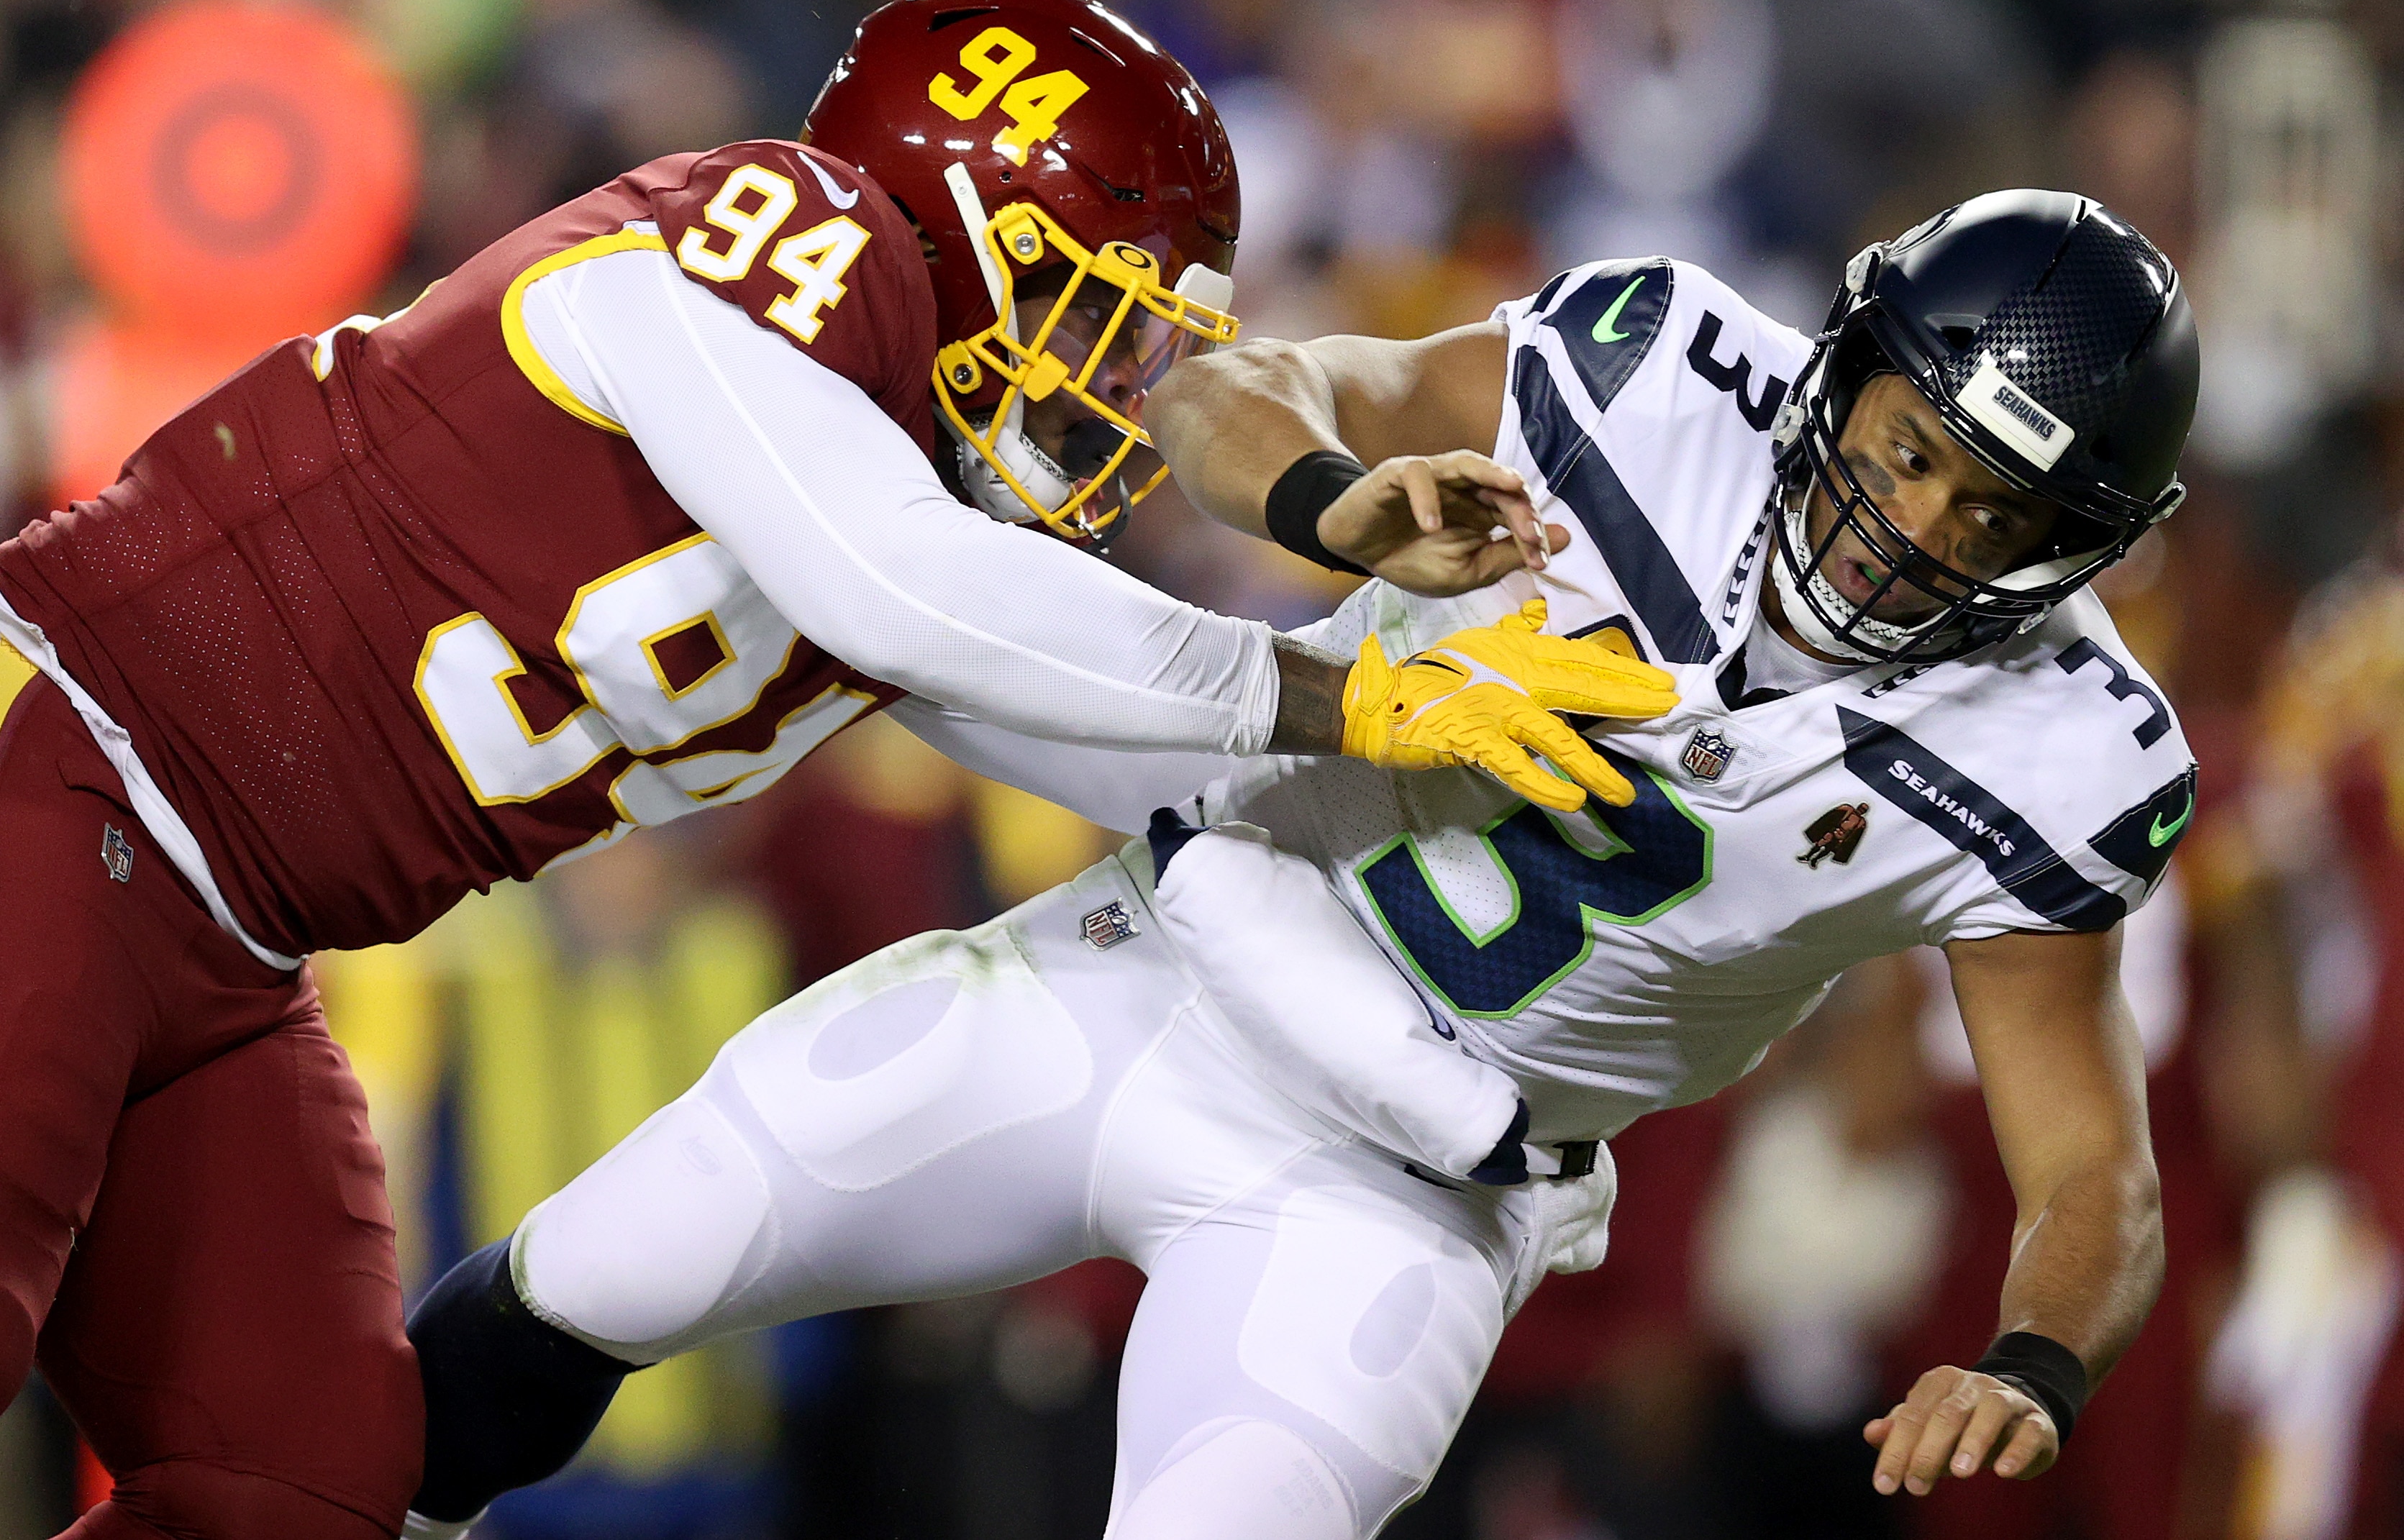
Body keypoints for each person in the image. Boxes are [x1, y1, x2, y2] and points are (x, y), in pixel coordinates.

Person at [0, 0, 1677, 1540]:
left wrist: (1528, 781)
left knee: (303, 1485)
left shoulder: (895, 504)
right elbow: (913, 592)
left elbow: (1133, 751)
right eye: (1096, 318)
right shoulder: (795, 243)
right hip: (59, 759)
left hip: (220, 945)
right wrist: (1329, 693)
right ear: (966, 226)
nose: (1113, 387)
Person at [401, 188, 2197, 1538]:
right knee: (607, 1264)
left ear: (2079, 549)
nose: (1922, 531)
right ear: (1848, 372)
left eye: (2002, 515)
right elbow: (1229, 389)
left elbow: (2092, 1172)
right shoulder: (1659, 376)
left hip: (1410, 1190)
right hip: (1156, 957)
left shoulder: (2056, 759)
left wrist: (2030, 1359)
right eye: (1912, 453)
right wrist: (1331, 499)